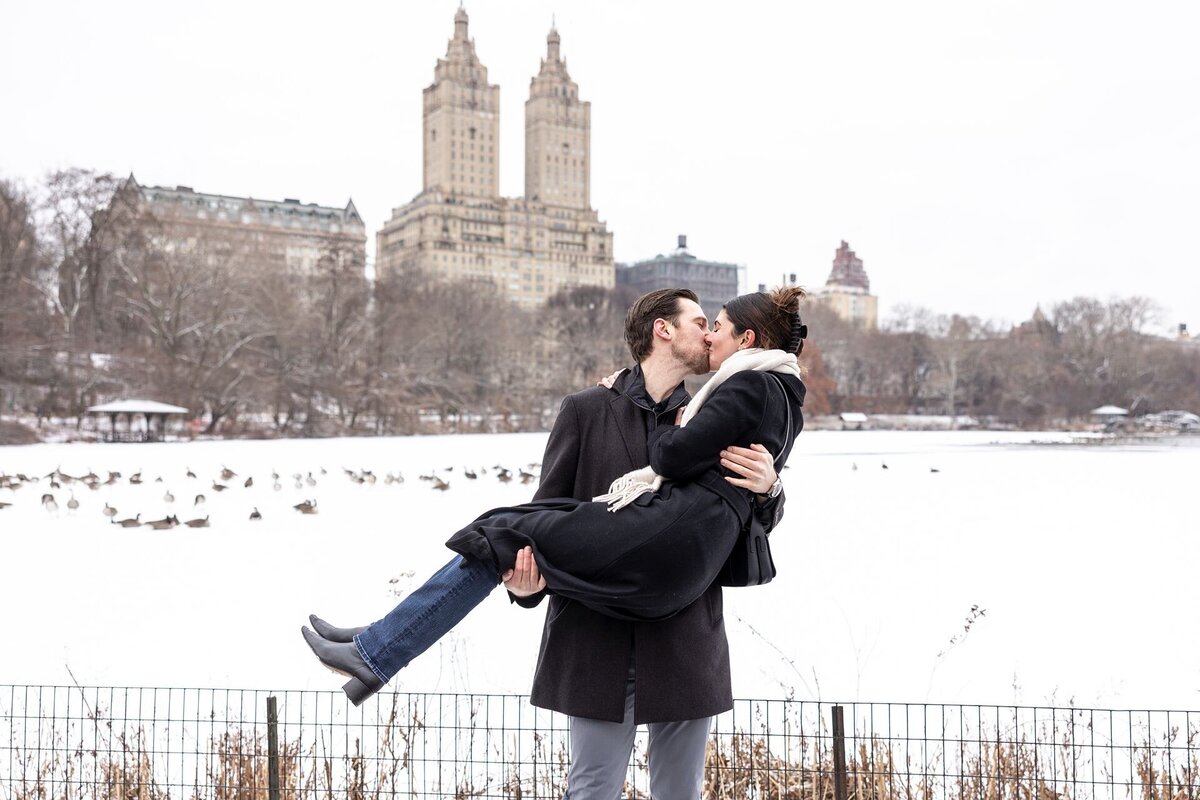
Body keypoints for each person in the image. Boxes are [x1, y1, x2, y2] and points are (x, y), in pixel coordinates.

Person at [301, 289, 807, 735]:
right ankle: (375, 645)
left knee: (678, 793)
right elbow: (549, 513)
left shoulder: (711, 408)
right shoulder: (590, 408)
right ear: (663, 330)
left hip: (681, 642)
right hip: (596, 644)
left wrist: (770, 489)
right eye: (701, 322)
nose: (708, 332)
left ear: (746, 339)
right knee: (503, 531)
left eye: (714, 324)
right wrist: (526, 587)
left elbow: (733, 513)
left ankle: (375, 651)